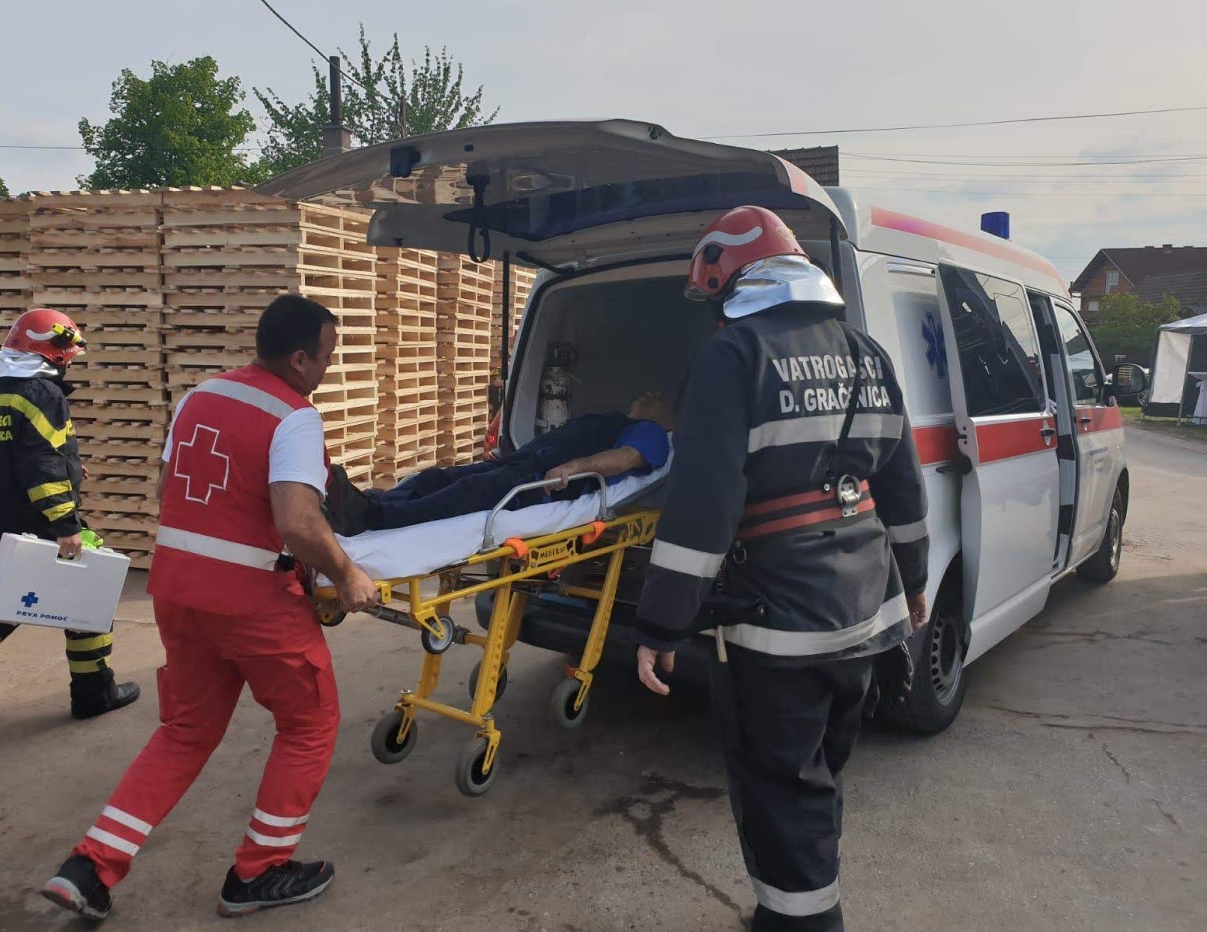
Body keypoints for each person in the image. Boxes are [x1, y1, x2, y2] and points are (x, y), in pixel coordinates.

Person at [632, 207, 930, 932]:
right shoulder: (866, 353)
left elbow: (704, 504)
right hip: (866, 611)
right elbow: (902, 485)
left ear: (732, 280)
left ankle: (802, 922)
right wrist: (916, 581)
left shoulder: (732, 355)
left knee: (780, 788)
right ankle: (801, 904)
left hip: (777, 626)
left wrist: (662, 623)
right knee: (819, 774)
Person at [41, 295, 379, 922]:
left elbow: (168, 488)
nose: (328, 367)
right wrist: (346, 573)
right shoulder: (294, 416)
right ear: (299, 358)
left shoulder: (200, 396)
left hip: (177, 592)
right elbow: (298, 520)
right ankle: (260, 870)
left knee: (186, 732)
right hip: (252, 603)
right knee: (309, 723)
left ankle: (90, 866)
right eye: (327, 356)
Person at [0, 308, 140, 718]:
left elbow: (7, 457)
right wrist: (65, 524)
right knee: (90, 591)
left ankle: (94, 692)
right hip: (40, 522)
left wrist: (71, 467)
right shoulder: (43, 395)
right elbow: (41, 464)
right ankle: (95, 694)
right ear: (56, 353)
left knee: (3, 608)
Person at [325, 392, 674, 536]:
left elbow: (626, 458)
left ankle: (371, 518)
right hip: (520, 464)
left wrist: (574, 468)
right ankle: (365, 503)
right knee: (436, 478)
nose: (648, 394)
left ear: (667, 419)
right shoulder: (608, 418)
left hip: (543, 485)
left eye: (658, 397)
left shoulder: (654, 434)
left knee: (465, 492)